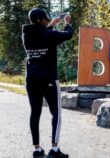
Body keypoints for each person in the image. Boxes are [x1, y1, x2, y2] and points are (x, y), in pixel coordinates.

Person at [22, 8, 73, 158]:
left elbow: (42, 36)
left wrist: (50, 25)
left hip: (31, 79)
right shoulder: (49, 35)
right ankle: (55, 149)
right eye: (46, 18)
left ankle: (37, 149)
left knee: (35, 112)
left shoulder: (26, 34)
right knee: (56, 112)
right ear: (40, 20)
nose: (47, 19)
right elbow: (68, 34)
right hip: (49, 79)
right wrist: (67, 23)